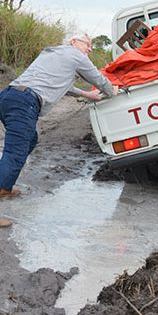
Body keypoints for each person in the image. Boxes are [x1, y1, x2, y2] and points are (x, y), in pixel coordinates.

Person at [0, 34, 118, 198]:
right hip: (25, 102)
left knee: (30, 139)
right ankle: (3, 188)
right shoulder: (76, 55)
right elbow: (98, 79)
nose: (90, 49)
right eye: (87, 44)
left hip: (8, 96)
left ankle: (4, 179)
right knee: (16, 149)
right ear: (74, 42)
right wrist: (112, 91)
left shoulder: (52, 52)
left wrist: (86, 94)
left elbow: (61, 84)